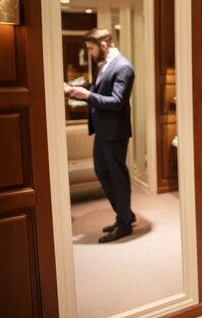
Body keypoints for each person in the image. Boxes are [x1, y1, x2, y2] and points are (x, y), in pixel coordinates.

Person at [63, 28, 136, 243]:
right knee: (102, 172)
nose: (90, 53)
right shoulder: (102, 65)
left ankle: (124, 224)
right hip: (102, 131)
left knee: (117, 175)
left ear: (103, 45)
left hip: (115, 132)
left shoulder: (124, 67)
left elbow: (116, 102)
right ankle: (125, 214)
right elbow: (98, 92)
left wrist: (87, 95)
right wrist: (76, 91)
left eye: (91, 48)